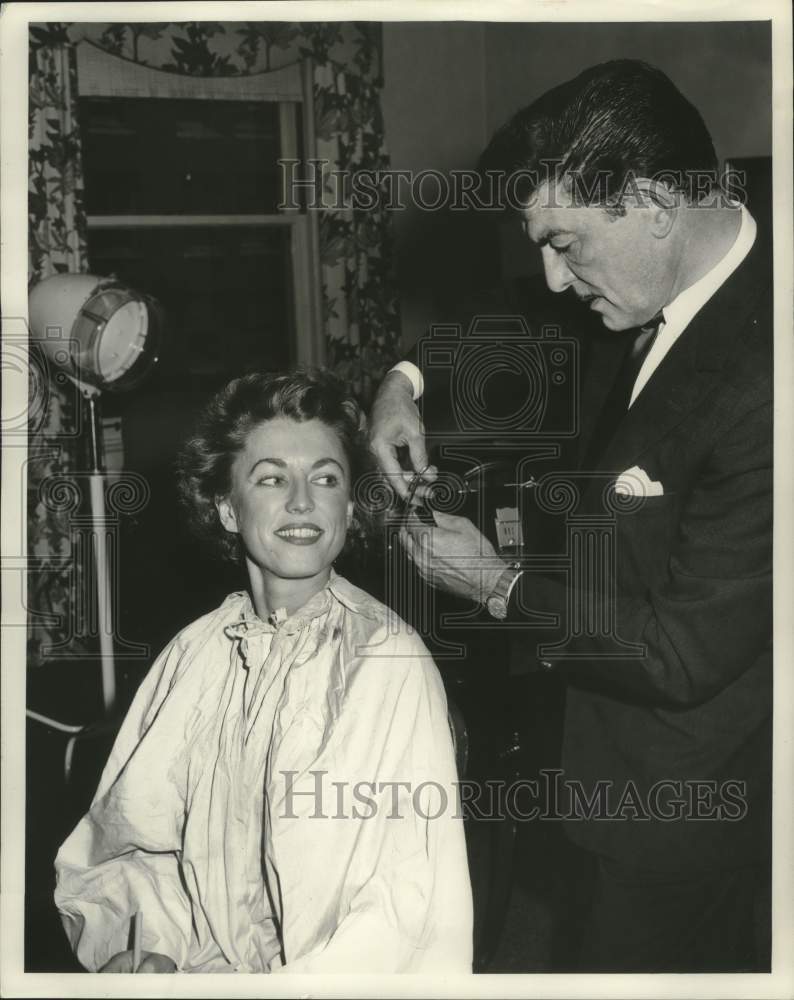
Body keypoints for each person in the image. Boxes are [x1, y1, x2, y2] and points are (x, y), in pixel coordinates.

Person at [369, 60, 772, 972]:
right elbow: (516, 325)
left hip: (687, 801)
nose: (552, 280)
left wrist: (493, 582)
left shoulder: (766, 380)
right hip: (604, 757)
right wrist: (404, 384)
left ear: (655, 199)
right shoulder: (648, 277)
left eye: (565, 244)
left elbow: (677, 653)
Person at [54, 369, 473, 974]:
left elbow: (398, 918)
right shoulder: (195, 654)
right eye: (272, 478)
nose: (302, 501)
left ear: (349, 507)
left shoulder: (384, 662)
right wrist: (147, 949)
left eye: (325, 479)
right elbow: (138, 844)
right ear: (226, 507)